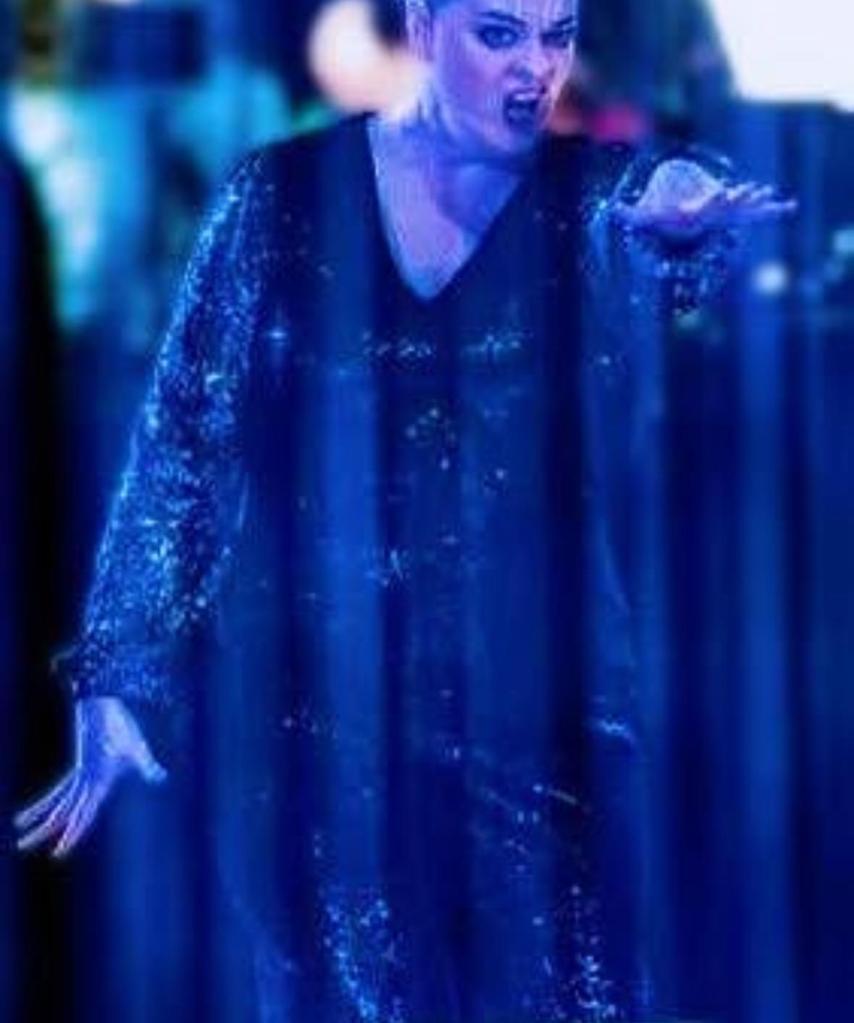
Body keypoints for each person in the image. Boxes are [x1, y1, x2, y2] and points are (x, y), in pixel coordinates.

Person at [14, 1, 793, 1019]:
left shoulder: (584, 203)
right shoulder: (280, 198)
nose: (536, 67)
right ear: (423, 27)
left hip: (539, 727)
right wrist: (119, 667)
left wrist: (675, 206)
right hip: (315, 732)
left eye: (557, 33)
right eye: (499, 34)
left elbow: (652, 216)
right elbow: (185, 437)